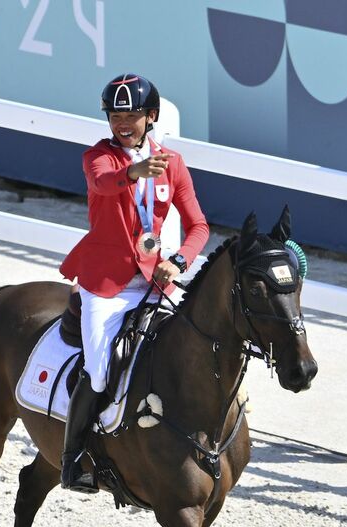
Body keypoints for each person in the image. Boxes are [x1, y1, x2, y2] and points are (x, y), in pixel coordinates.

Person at [58, 73, 209, 493]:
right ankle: (72, 461)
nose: (122, 122)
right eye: (114, 114)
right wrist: (135, 171)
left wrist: (178, 261)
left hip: (152, 281)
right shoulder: (98, 157)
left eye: (132, 114)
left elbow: (198, 226)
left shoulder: (173, 163)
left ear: (151, 116)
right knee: (100, 373)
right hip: (105, 285)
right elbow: (103, 184)